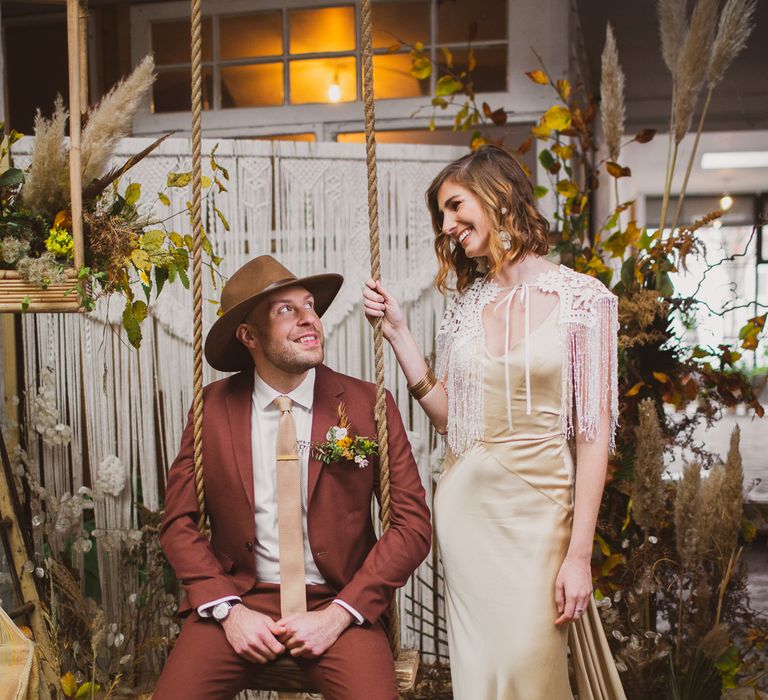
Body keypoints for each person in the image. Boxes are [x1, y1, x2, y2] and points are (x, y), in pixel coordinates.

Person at [363, 145, 625, 699]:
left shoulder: (585, 301)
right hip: (466, 513)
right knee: (481, 676)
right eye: (441, 216)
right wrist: (401, 337)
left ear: (499, 195)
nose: (448, 226)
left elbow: (593, 436)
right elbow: (454, 424)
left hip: (540, 516)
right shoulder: (464, 309)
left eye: (456, 207)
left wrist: (579, 557)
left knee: (531, 668)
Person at [155, 255, 432, 700]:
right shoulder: (212, 408)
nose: (310, 320)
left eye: (310, 306)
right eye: (287, 310)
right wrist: (228, 611)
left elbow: (412, 526)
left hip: (337, 601)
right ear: (248, 335)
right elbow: (178, 523)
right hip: (239, 600)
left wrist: (341, 612)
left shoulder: (368, 404)